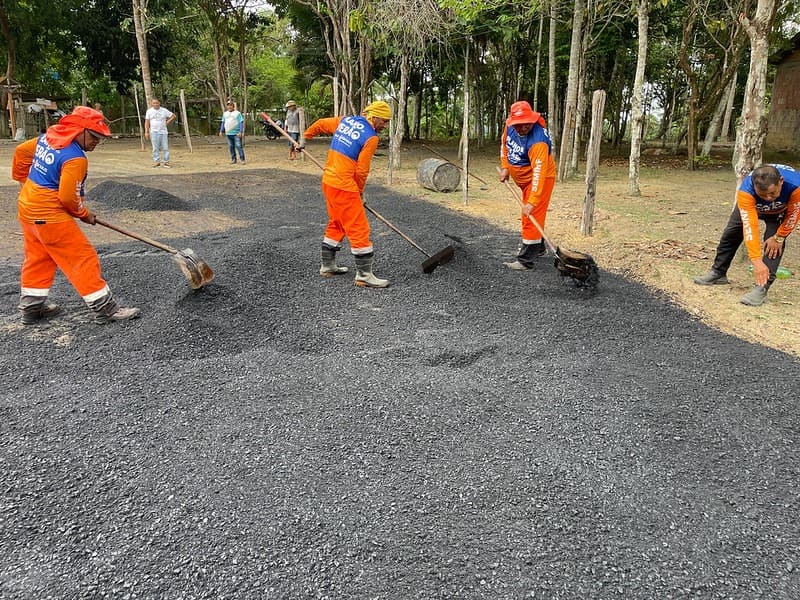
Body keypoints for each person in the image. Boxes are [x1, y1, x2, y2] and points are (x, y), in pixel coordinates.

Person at [11, 106, 140, 325]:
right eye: (94, 136)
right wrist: (83, 213)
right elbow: (68, 198)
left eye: (100, 138)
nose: (97, 142)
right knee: (82, 257)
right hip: (50, 216)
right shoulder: (75, 158)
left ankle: (31, 308)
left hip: (28, 209)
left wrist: (23, 180)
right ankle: (105, 309)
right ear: (79, 130)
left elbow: (21, 151)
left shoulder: (47, 139)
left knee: (38, 257)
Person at [302, 100, 392, 288]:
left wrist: (306, 136)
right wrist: (359, 192)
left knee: (337, 222)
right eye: (384, 121)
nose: (384, 125)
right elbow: (361, 171)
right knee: (359, 227)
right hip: (344, 186)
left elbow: (321, 123)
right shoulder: (371, 137)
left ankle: (327, 265)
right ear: (374, 117)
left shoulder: (346, 121)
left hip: (329, 182)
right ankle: (364, 275)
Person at [694, 164, 800, 306]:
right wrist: (756, 261)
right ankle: (718, 272)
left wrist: (779, 237)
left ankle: (761, 288)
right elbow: (750, 227)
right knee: (731, 233)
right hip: (752, 207)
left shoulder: (796, 186)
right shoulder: (746, 191)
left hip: (781, 211)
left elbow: (793, 215)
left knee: (774, 246)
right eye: (762, 195)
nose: (768, 198)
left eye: (772, 193)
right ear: (754, 186)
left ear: (780, 181)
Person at [498, 100, 557, 270]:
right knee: (533, 215)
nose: (523, 128)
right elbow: (505, 146)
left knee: (530, 216)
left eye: (527, 124)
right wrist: (505, 167)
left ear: (532, 120)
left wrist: (532, 202)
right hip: (524, 180)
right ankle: (539, 248)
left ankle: (525, 261)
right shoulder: (509, 127)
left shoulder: (538, 141)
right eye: (519, 125)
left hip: (540, 179)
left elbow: (539, 173)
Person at [144, 98, 176, 168]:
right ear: (152, 104)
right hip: (153, 132)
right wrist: (146, 132)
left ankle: (166, 162)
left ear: (159, 103)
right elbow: (147, 122)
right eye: (154, 103)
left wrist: (167, 122)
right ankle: (157, 162)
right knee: (155, 148)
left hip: (163, 132)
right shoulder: (149, 111)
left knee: (165, 147)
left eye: (157, 103)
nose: (155, 104)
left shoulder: (164, 110)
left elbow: (173, 116)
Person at [218, 100, 246, 165]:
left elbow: (241, 122)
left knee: (238, 146)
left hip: (236, 134)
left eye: (231, 105)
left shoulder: (237, 113)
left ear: (233, 106)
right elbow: (223, 122)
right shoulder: (225, 114)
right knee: (231, 147)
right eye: (228, 105)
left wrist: (240, 132)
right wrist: (221, 131)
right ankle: (233, 159)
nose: (229, 107)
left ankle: (242, 159)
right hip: (228, 133)